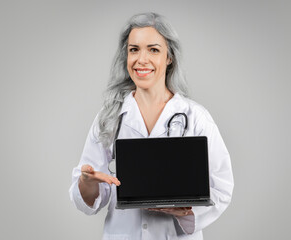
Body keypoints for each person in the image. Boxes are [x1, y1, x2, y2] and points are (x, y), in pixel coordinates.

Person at [69, 12, 234, 240]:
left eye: (153, 50)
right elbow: (90, 199)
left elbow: (222, 187)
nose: (141, 59)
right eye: (134, 49)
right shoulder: (109, 117)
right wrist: (87, 181)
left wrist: (185, 212)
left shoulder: (196, 117)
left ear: (169, 57)